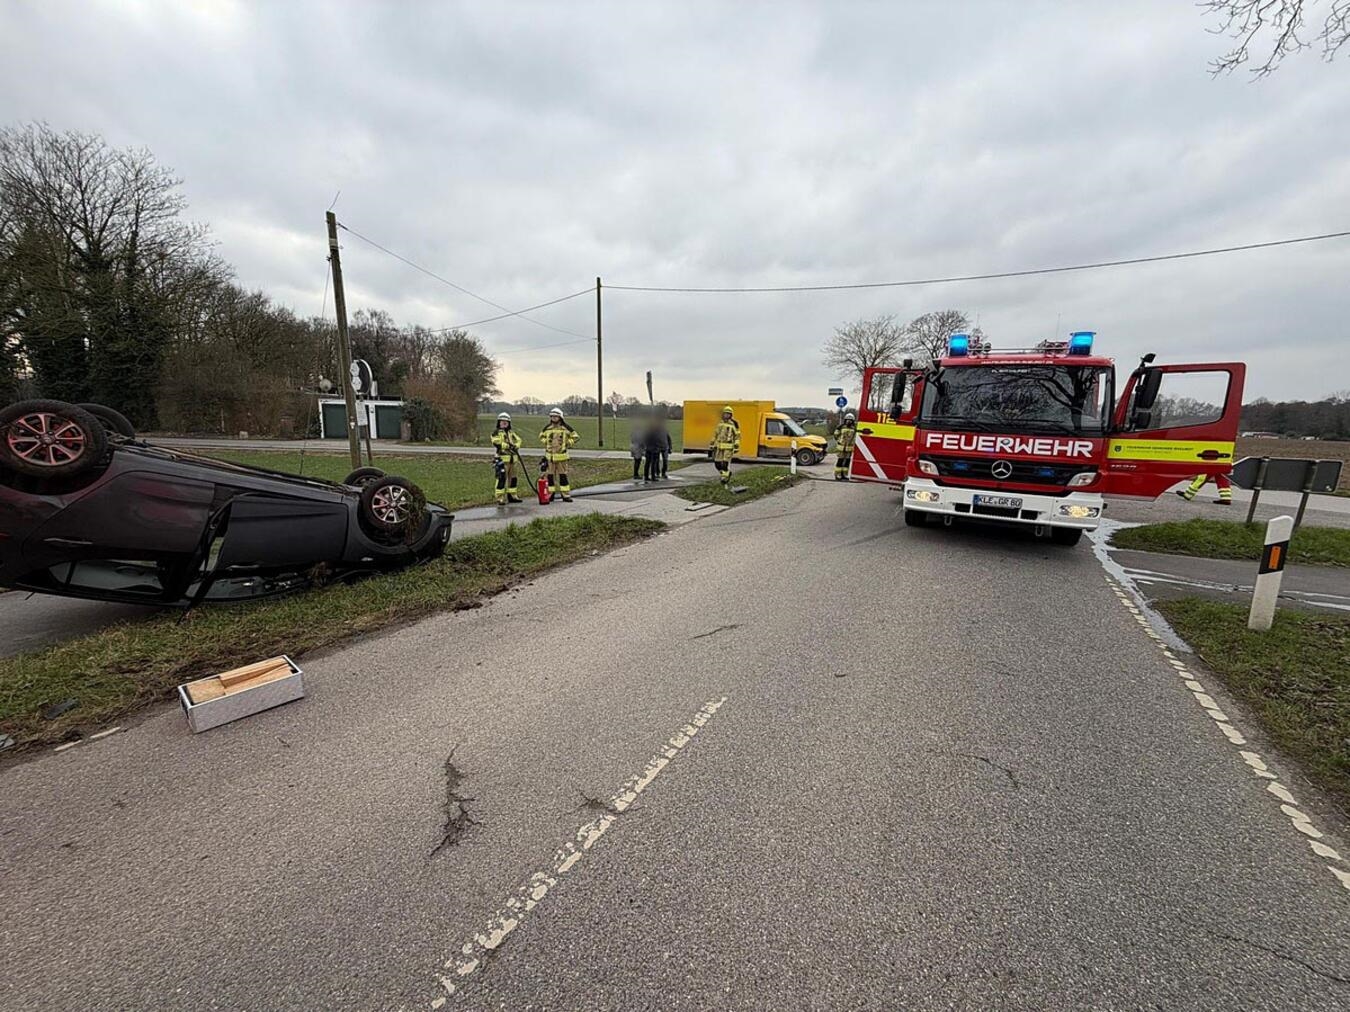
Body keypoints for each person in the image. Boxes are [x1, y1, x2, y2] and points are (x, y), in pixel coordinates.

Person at [539, 408, 580, 502]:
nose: (554, 418)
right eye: (552, 416)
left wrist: (568, 443)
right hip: (550, 458)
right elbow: (541, 436)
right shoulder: (547, 428)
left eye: (556, 416)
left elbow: (576, 437)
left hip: (562, 457)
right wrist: (546, 442)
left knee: (563, 476)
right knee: (550, 477)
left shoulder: (566, 428)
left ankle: (565, 495)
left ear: (560, 417)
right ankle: (551, 494)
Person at [490, 412, 524, 504]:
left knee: (513, 478)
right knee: (501, 479)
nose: (504, 423)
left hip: (513, 460)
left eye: (506, 421)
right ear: (499, 422)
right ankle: (500, 497)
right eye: (502, 421)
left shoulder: (511, 432)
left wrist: (516, 445)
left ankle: (512, 496)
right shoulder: (496, 433)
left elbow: (519, 440)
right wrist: (508, 446)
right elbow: (496, 443)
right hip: (502, 460)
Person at [709, 405, 740, 486]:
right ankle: (726, 474)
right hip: (719, 447)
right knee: (717, 464)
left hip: (728, 448)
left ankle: (724, 479)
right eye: (725, 414)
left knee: (724, 464)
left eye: (728, 414)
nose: (726, 415)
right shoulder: (720, 424)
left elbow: (737, 436)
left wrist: (737, 444)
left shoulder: (734, 424)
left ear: (731, 415)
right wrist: (712, 442)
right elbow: (716, 434)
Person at [832, 411, 857, 481]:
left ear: (852, 421)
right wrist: (839, 441)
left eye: (850, 420)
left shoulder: (854, 428)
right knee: (840, 461)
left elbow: (855, 437)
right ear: (845, 420)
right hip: (841, 447)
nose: (848, 421)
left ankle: (844, 475)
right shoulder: (841, 427)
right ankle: (837, 475)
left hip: (849, 448)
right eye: (847, 420)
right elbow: (836, 435)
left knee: (847, 462)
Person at [643, 417, 665, 482]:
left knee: (647, 463)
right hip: (654, 450)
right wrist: (660, 447)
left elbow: (645, 441)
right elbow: (658, 441)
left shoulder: (647, 433)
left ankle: (646, 476)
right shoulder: (655, 433)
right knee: (653, 464)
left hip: (648, 449)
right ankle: (653, 477)